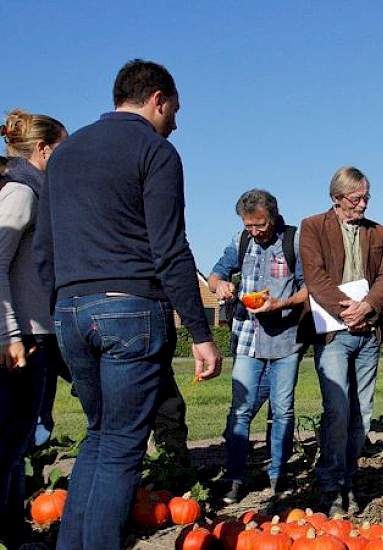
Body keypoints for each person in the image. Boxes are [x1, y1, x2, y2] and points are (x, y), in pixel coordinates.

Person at [36, 60, 222, 550]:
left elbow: (44, 247)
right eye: (174, 110)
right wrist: (201, 334)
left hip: (70, 308)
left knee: (98, 437)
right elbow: (170, 248)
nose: (176, 123)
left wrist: (59, 303)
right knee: (121, 446)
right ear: (157, 99)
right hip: (129, 308)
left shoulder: (64, 153)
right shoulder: (155, 150)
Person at [299, 166, 383, 515]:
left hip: (368, 332)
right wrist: (346, 310)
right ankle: (330, 485)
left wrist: (367, 306)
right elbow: (315, 277)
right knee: (337, 410)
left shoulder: (379, 232)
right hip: (333, 333)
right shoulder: (313, 227)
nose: (363, 204)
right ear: (336, 198)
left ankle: (349, 478)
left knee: (362, 413)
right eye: (356, 199)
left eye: (367, 197)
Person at [208, 189, 308, 504]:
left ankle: (278, 474)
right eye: (249, 226)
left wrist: (281, 303)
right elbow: (214, 276)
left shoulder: (293, 241)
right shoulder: (241, 241)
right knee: (239, 410)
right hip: (246, 338)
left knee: (282, 410)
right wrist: (220, 285)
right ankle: (236, 477)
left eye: (260, 225)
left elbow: (309, 290)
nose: (255, 232)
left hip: (286, 339)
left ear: (274, 216)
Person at [0, 109, 68, 549]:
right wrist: (8, 334)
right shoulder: (22, 193)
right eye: (62, 149)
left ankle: (11, 526)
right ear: (42, 150)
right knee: (7, 442)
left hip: (34, 333)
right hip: (21, 339)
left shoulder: (38, 192)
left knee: (16, 442)